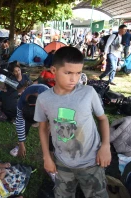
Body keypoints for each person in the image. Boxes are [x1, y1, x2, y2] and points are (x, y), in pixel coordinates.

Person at [34, 46, 111, 197]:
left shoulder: (88, 93)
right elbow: (43, 128)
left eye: (78, 73)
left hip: (91, 162)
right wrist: (46, 157)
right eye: (68, 73)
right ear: (54, 71)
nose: (74, 79)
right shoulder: (44, 99)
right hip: (63, 163)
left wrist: (106, 146)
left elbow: (102, 119)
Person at [14, 84, 49, 157]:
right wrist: (21, 143)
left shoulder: (48, 100)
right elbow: (19, 122)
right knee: (25, 127)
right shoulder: (21, 104)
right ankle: (21, 141)